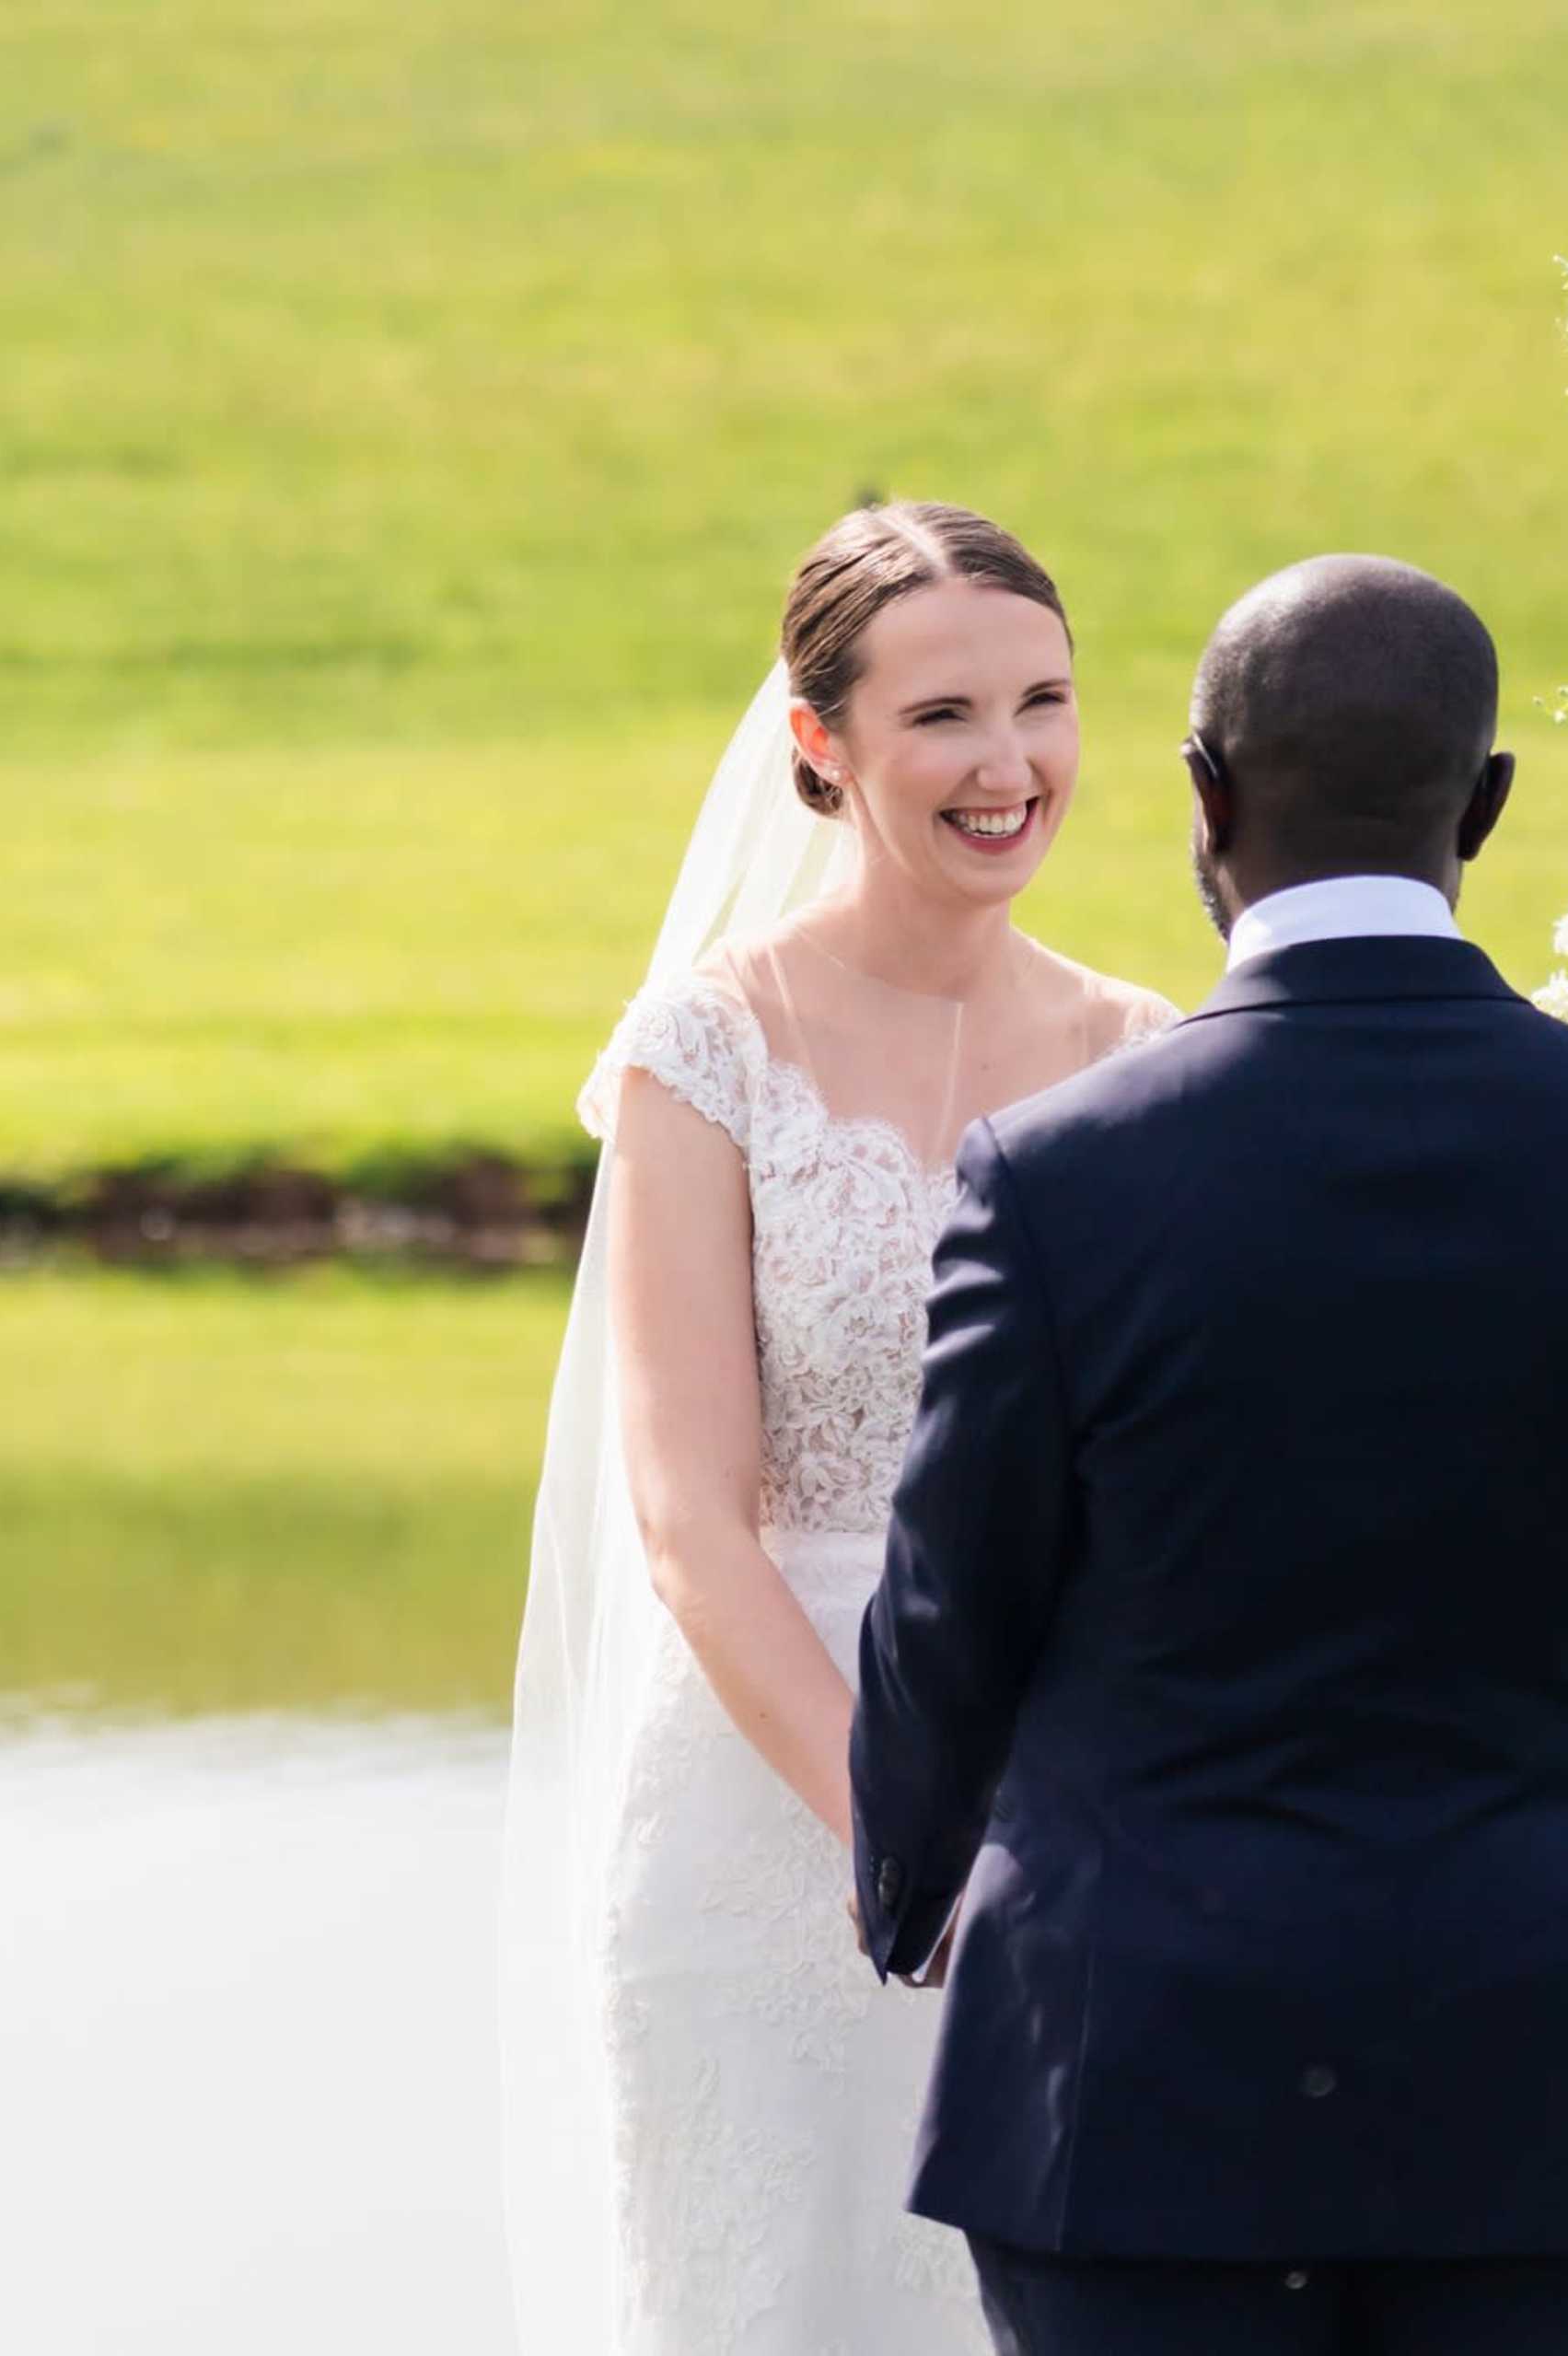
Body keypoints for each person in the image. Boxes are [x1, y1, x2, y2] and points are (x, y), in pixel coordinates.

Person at [847, 557, 1568, 2356]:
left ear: (1204, 792)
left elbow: (955, 1600)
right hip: (1524, 2060)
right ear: (1485, 804)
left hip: (1128, 2070)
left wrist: (904, 1889)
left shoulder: (1054, 1176)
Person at [506, 501, 1179, 2355]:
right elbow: (686, 1518)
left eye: (1045, 702)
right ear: (820, 743)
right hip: (755, 1808)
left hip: (1062, 1825)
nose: (1011, 762)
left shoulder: (1144, 1053)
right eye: (945, 715)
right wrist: (910, 1837)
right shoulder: (702, 1049)